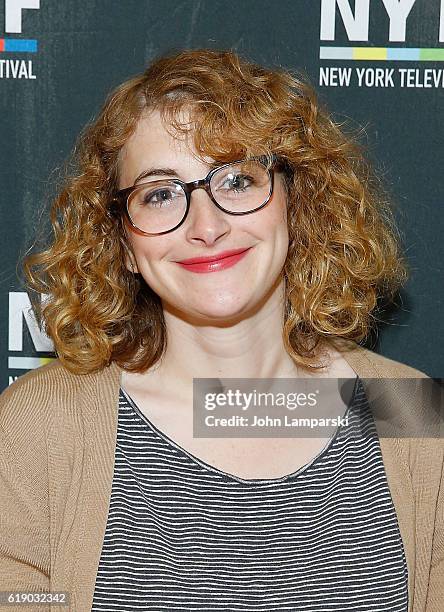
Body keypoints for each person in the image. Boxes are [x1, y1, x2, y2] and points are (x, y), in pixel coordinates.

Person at [0, 48, 442, 612]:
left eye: (236, 180)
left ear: (296, 203)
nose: (206, 227)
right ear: (124, 245)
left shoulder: (412, 413)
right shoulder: (41, 427)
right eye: (160, 193)